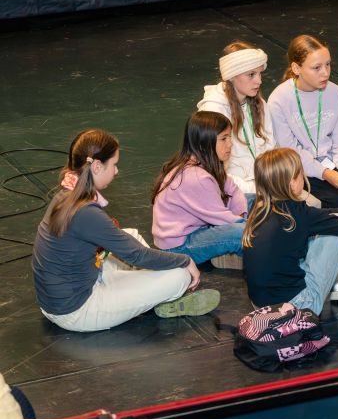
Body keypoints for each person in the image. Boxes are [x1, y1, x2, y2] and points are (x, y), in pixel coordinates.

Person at [33, 130, 218, 333]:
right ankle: (159, 296)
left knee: (130, 234)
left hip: (59, 299)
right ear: (96, 166)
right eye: (114, 164)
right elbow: (137, 255)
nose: (117, 171)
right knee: (180, 276)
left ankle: (151, 290)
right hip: (77, 311)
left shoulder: (67, 194)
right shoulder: (85, 211)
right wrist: (185, 260)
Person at [242, 149, 338, 316]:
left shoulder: (259, 205)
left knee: (320, 229)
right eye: (300, 174)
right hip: (296, 308)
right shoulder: (297, 212)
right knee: (336, 238)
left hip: (260, 306)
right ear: (292, 183)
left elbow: (316, 216)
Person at [268, 35, 338, 211]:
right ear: (296, 68)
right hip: (301, 171)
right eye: (317, 68)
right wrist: (325, 174)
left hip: (333, 165)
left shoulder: (336, 93)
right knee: (336, 203)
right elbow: (290, 153)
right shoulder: (279, 100)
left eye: (328, 64)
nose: (326, 73)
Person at [152, 111, 249, 264]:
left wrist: (243, 217)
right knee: (242, 232)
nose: (230, 143)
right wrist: (250, 226)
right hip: (179, 247)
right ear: (204, 145)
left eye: (230, 137)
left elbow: (233, 190)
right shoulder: (195, 177)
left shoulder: (205, 162)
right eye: (223, 139)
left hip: (196, 229)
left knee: (251, 199)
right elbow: (223, 219)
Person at [197, 40, 275, 194]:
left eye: (260, 73)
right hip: (233, 192)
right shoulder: (213, 111)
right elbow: (216, 173)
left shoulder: (260, 105)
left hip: (266, 185)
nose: (259, 80)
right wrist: (257, 190)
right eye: (251, 74)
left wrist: (278, 180)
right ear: (231, 76)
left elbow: (271, 149)